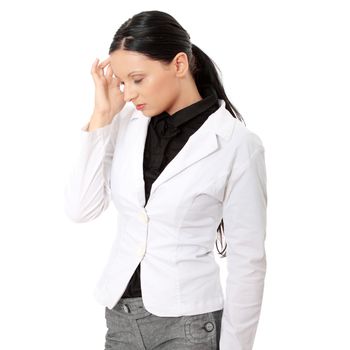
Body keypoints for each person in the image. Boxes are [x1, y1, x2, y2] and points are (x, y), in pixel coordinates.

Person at [64, 10, 267, 350]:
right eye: (123, 81)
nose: (128, 93)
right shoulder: (126, 123)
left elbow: (249, 261)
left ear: (178, 65)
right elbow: (80, 208)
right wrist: (102, 115)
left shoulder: (237, 144)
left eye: (138, 79)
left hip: (186, 324)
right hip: (121, 316)